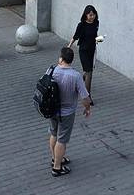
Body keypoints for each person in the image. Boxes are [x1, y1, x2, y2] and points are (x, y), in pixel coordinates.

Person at [47, 47, 91, 177]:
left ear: (61, 58)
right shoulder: (75, 76)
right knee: (62, 140)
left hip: (52, 110)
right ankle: (57, 167)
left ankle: (55, 158)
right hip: (67, 113)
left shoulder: (52, 70)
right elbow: (85, 97)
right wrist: (87, 108)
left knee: (53, 133)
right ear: (71, 60)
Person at [68, 5, 99, 103]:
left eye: (93, 14)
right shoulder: (81, 25)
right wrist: (69, 46)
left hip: (92, 50)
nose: (92, 17)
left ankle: (78, 83)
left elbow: (95, 35)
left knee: (88, 71)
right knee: (89, 72)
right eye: (90, 15)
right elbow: (75, 36)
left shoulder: (96, 23)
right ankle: (87, 97)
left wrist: (98, 39)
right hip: (83, 51)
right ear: (86, 15)